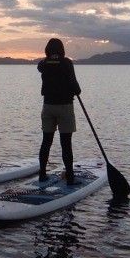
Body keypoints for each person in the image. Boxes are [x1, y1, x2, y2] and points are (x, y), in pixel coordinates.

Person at [37, 38, 81, 185]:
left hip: (48, 106)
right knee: (66, 144)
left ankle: (42, 174)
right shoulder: (67, 63)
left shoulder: (43, 64)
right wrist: (76, 90)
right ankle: (70, 177)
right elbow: (75, 86)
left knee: (46, 142)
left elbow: (43, 66)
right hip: (64, 107)